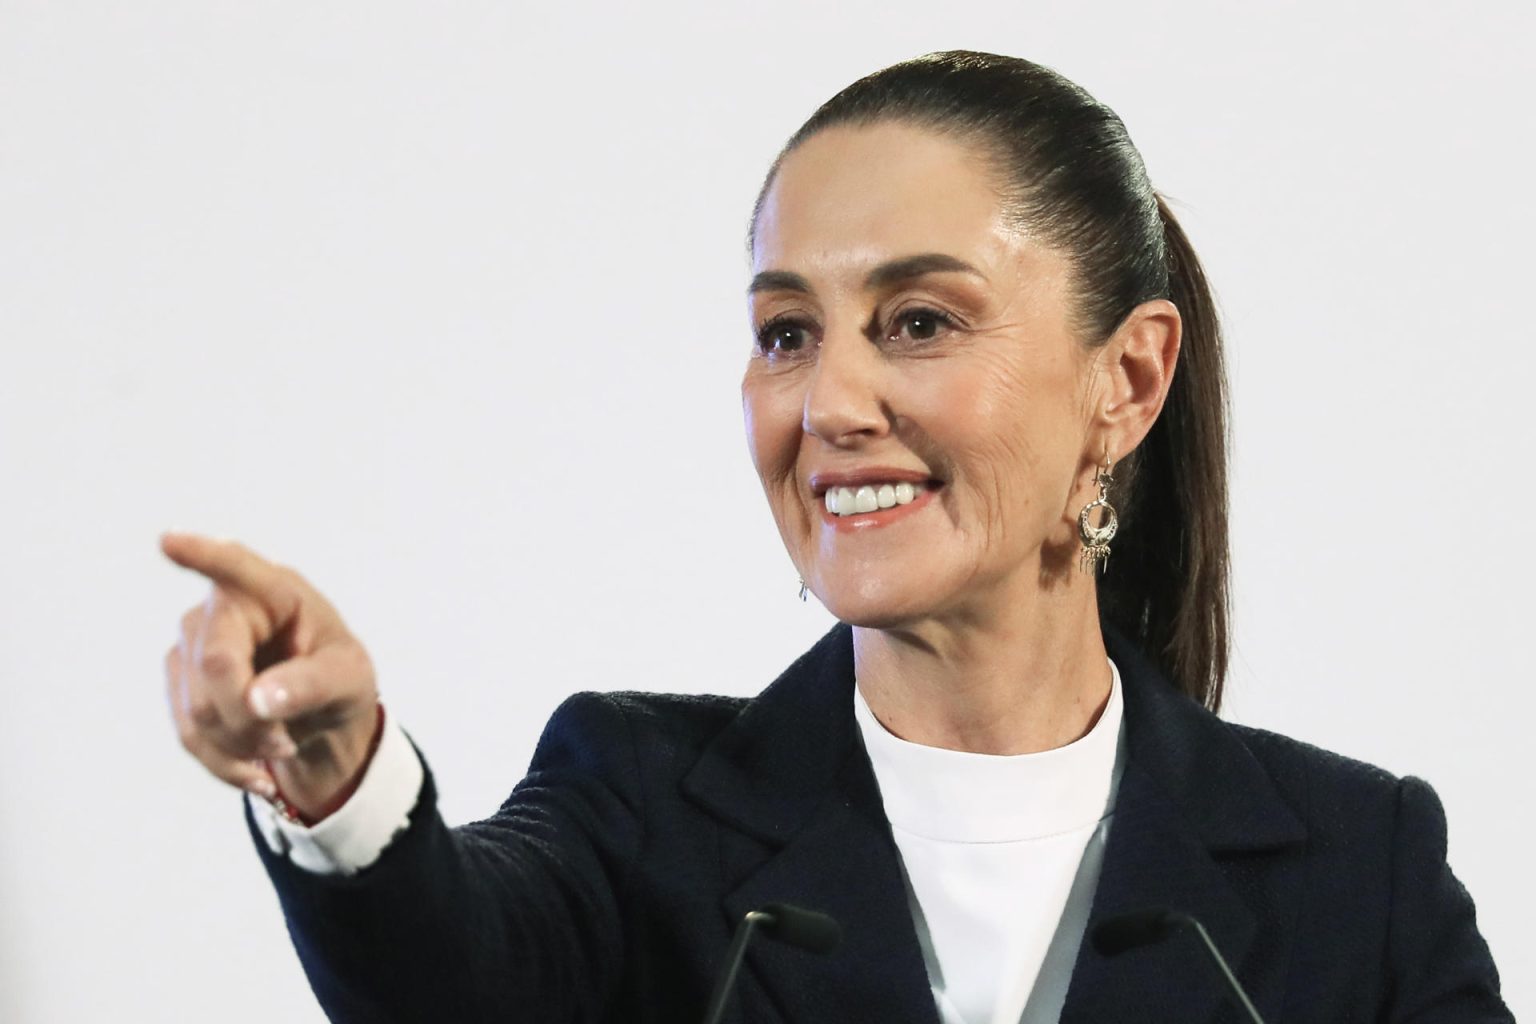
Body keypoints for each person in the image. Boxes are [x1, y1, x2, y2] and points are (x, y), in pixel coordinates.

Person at [161, 51, 1511, 1023]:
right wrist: (338, 781)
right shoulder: (639, 805)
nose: (828, 403)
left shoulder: (1357, 868)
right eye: (786, 333)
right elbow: (451, 973)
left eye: (919, 321)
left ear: (1128, 382)